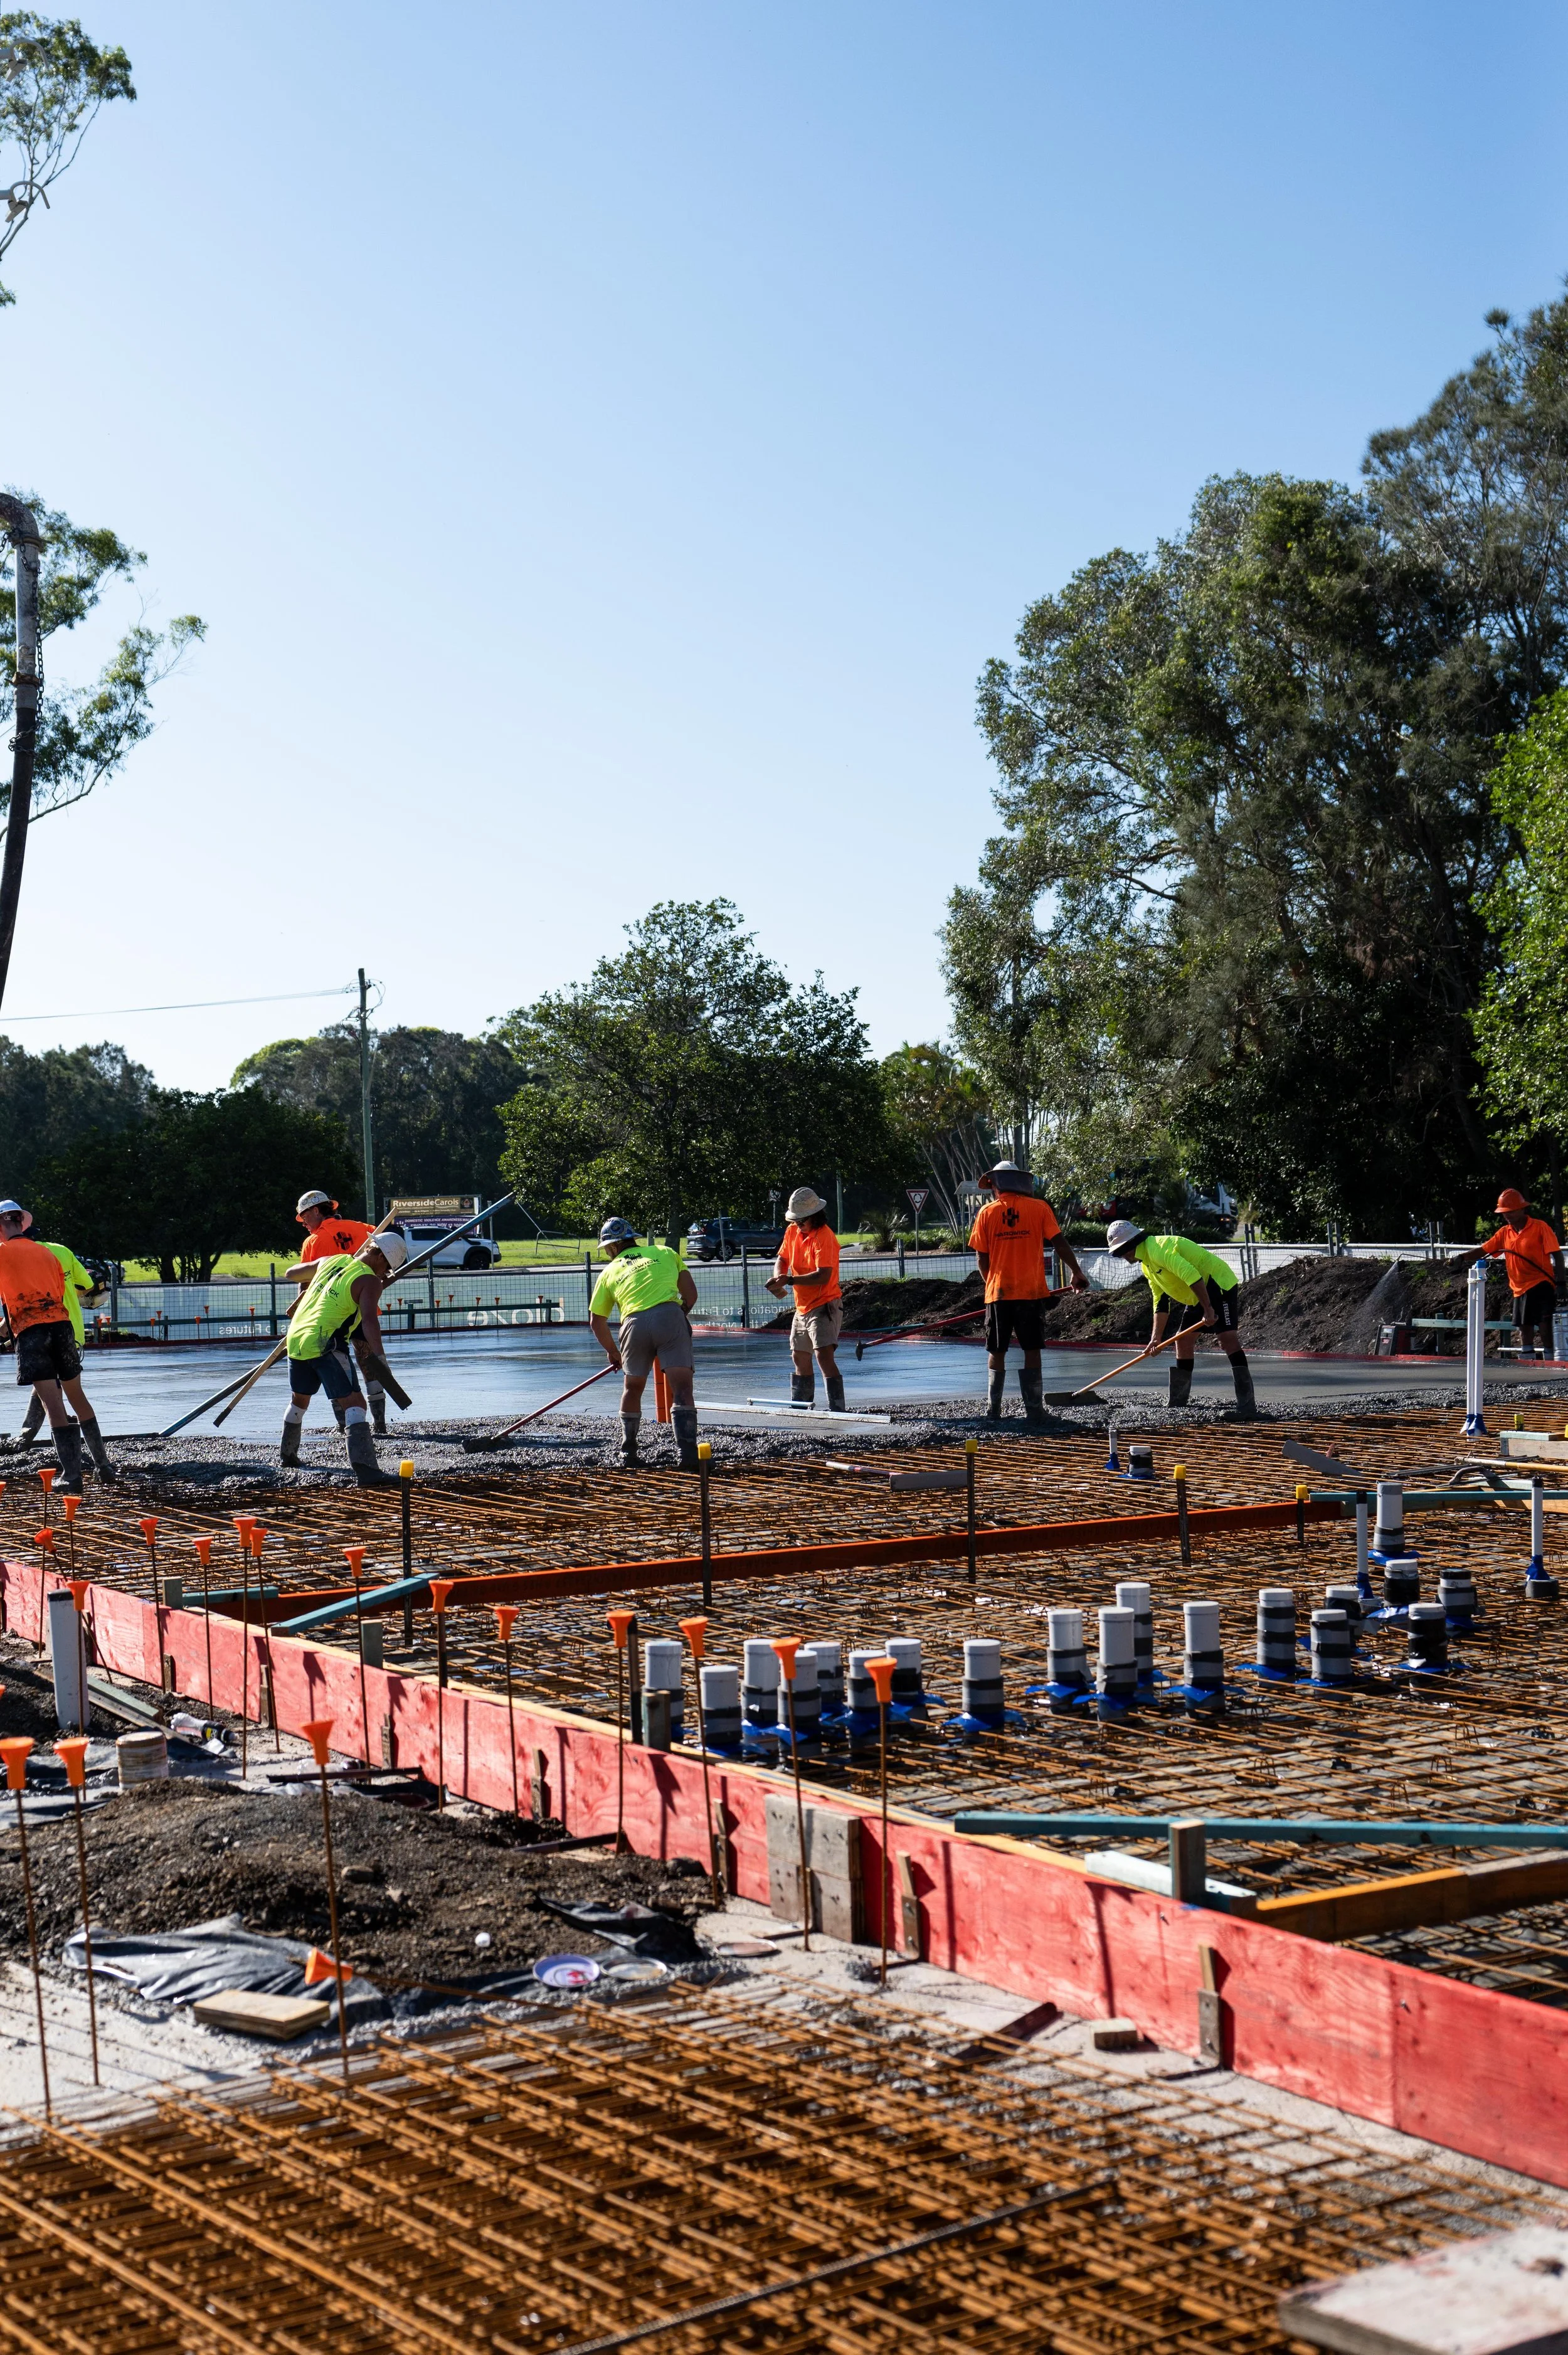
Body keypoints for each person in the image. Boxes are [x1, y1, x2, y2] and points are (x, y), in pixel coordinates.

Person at [0, 1199, 115, 1491]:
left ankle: (72, 1478)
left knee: (54, 1405)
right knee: (78, 1396)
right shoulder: (48, 1254)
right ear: (20, 1222)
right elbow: (54, 1296)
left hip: (33, 1333)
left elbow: (22, 1306)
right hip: (63, 1328)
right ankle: (104, 1466)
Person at [283, 1229, 408, 1484]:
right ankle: (366, 1470)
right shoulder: (370, 1281)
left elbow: (291, 1273)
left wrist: (317, 1282)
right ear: (380, 1257)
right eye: (387, 1269)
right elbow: (370, 1323)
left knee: (300, 1400)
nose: (385, 1275)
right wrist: (381, 1361)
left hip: (296, 1338)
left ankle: (288, 1456)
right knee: (355, 1405)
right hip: (326, 1342)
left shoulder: (332, 1260)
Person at [969, 1162, 1088, 1424]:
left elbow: (981, 1257)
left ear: (997, 1184)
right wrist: (1076, 1272)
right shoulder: (1039, 1208)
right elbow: (1059, 1243)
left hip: (998, 1294)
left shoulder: (987, 1213)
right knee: (1032, 1349)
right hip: (1031, 1293)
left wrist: (992, 1284)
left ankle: (994, 1412)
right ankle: (1034, 1411)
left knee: (996, 1350)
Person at [1105, 1218, 1254, 1418]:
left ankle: (1247, 1405)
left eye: (1121, 1251)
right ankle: (1179, 1401)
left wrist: (1208, 1308)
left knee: (1227, 1339)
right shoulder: (1146, 1265)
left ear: (1131, 1244)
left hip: (1217, 1283)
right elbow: (1160, 1302)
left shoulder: (1158, 1249)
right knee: (1183, 1341)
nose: (1122, 1256)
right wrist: (1155, 1338)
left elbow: (1191, 1275)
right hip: (1197, 1295)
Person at [588, 1216, 701, 1468]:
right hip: (670, 1316)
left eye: (607, 1248)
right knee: (682, 1388)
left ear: (614, 1246)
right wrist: (676, 1317)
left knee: (633, 1387)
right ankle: (688, 1455)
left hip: (633, 1325)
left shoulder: (609, 1272)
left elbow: (597, 1321)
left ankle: (628, 1452)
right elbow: (691, 1294)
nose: (607, 1253)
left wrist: (614, 1352)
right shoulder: (664, 1251)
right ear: (632, 1238)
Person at [294, 1190, 389, 1432]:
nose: (303, 1222)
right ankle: (379, 1423)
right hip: (362, 1302)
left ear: (317, 1210)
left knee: (335, 1364)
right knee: (369, 1361)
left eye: (304, 1216)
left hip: (331, 1313)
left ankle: (346, 1424)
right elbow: (386, 1248)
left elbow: (305, 1282)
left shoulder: (314, 1241)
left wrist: (301, 1315)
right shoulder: (364, 1229)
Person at [5, 1215, 100, 1450]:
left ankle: (70, 1467)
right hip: (68, 1328)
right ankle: (102, 1463)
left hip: (33, 1331)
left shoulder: (7, 1253)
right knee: (72, 1395)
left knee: (52, 1400)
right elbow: (85, 1284)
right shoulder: (56, 1252)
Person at [1456, 1189, 1565, 1362]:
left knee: (1544, 1324)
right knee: (1524, 1326)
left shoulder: (1540, 1227)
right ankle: (1528, 1360)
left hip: (1541, 1282)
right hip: (1519, 1287)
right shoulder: (1504, 1233)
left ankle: (1551, 1360)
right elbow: (1484, 1250)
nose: (1507, 1215)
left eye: (1511, 1211)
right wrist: (1462, 1257)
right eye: (1504, 1213)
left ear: (1522, 1210)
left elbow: (1557, 1256)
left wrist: (1561, 1284)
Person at [767, 1187, 845, 1410]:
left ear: (814, 1217)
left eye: (801, 1222)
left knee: (823, 1356)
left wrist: (790, 1281)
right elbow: (782, 1258)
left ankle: (837, 1409)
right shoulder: (793, 1231)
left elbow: (824, 1276)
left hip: (825, 1304)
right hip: (803, 1308)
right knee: (799, 1356)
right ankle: (801, 1407)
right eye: (796, 1221)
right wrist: (778, 1278)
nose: (797, 1225)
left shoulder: (825, 1237)